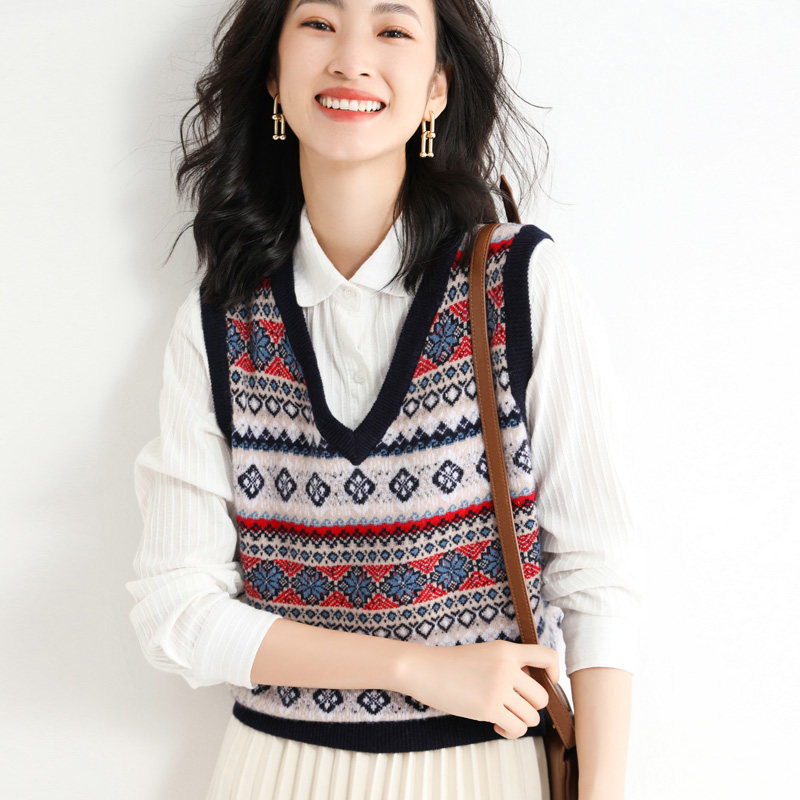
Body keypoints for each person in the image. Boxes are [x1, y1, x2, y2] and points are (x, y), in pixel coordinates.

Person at [125, 1, 643, 798]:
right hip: (275, 775)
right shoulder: (222, 322)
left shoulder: (518, 287)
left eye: (392, 30)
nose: (352, 58)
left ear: (437, 89)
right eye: (319, 23)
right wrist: (415, 668)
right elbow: (176, 613)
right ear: (273, 76)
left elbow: (597, 576)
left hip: (484, 773)